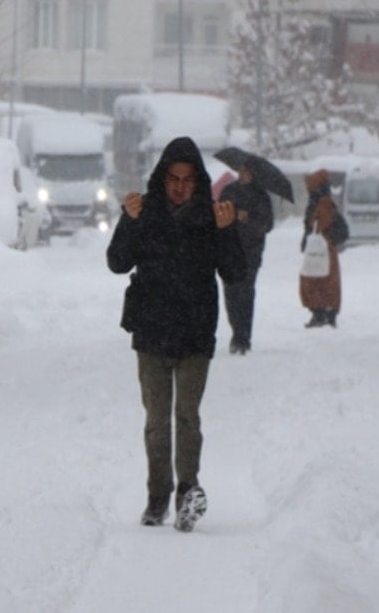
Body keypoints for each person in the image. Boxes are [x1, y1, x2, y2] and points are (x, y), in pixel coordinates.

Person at [106, 136, 246, 532]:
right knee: (156, 421)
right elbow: (117, 262)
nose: (180, 186)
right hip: (151, 333)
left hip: (195, 335)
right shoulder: (145, 214)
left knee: (187, 417)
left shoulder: (211, 219)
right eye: (173, 178)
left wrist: (227, 231)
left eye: (187, 179)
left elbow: (235, 273)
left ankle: (187, 492)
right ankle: (157, 497)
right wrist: (127, 220)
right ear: (162, 179)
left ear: (198, 182)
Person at [218, 163, 274, 354]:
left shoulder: (261, 196)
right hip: (228, 250)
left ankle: (243, 337)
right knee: (231, 294)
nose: (243, 174)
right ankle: (236, 329)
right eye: (241, 170)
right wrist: (230, 217)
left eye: (247, 171)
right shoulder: (229, 191)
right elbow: (217, 216)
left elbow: (267, 224)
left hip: (251, 253)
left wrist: (248, 219)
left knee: (246, 293)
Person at [300, 169, 340, 328]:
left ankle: (321, 313)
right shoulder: (323, 200)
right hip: (323, 248)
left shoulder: (321, 202)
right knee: (324, 281)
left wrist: (310, 231)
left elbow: (320, 223)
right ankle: (326, 313)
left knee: (317, 280)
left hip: (321, 249)